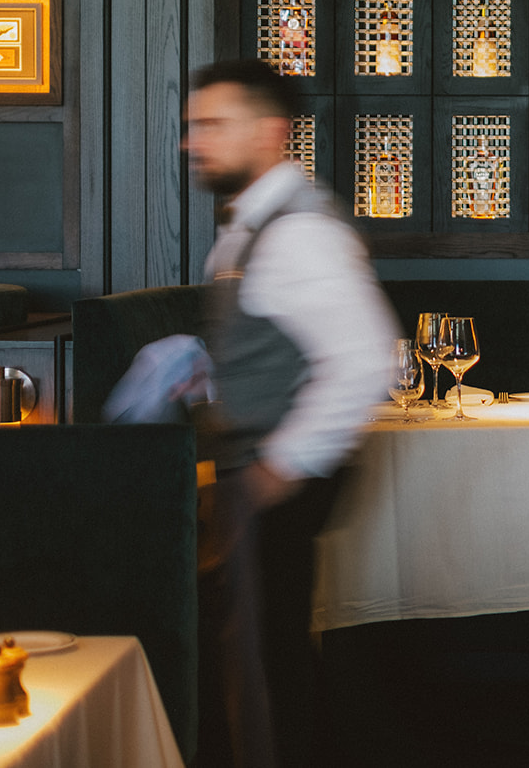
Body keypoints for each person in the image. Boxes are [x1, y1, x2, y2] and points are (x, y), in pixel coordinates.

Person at [183, 60, 397, 768]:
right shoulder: (251, 225)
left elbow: (365, 359)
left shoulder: (298, 232)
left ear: (269, 132)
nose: (193, 142)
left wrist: (279, 465)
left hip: (268, 476)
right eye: (193, 126)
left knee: (265, 670)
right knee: (261, 656)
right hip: (249, 469)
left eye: (213, 125)